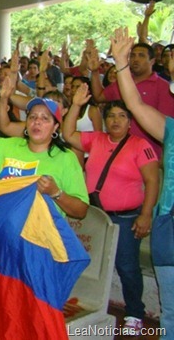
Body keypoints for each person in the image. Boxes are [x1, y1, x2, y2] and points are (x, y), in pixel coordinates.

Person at [63, 83, 158, 334]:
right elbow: (68, 133)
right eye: (111, 116)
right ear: (104, 121)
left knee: (127, 266)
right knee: (89, 262)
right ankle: (86, 303)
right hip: (96, 216)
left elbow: (152, 181)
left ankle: (135, 315)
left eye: (122, 116)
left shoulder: (140, 145)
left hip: (126, 218)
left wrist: (146, 214)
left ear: (130, 122)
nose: (115, 120)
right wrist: (75, 105)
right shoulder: (96, 140)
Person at [111, 27, 174, 338]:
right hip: (169, 227)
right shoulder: (170, 129)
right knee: (171, 314)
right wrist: (121, 63)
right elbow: (134, 105)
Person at [0, 82, 88, 219]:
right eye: (32, 117)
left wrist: (55, 193)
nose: (37, 122)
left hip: (41, 235)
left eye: (45, 118)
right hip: (3, 228)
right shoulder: (7, 146)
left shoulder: (66, 158)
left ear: (55, 127)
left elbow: (81, 211)